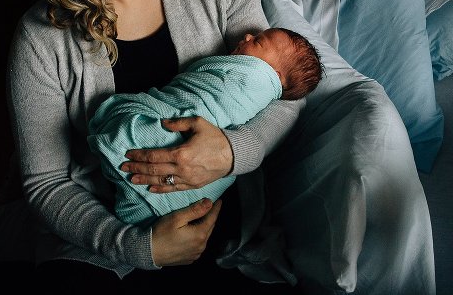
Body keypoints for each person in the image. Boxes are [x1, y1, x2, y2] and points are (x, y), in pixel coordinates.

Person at [1, 0, 303, 294]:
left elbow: (285, 89)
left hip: (212, 213)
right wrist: (134, 246)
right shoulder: (42, 38)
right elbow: (45, 183)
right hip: (100, 226)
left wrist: (230, 153)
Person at [87, 27, 323, 225]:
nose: (248, 36)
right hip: (106, 220)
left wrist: (230, 153)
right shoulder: (266, 58)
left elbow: (290, 101)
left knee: (128, 130)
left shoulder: (257, 79)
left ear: (275, 76)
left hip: (209, 211)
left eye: (258, 41)